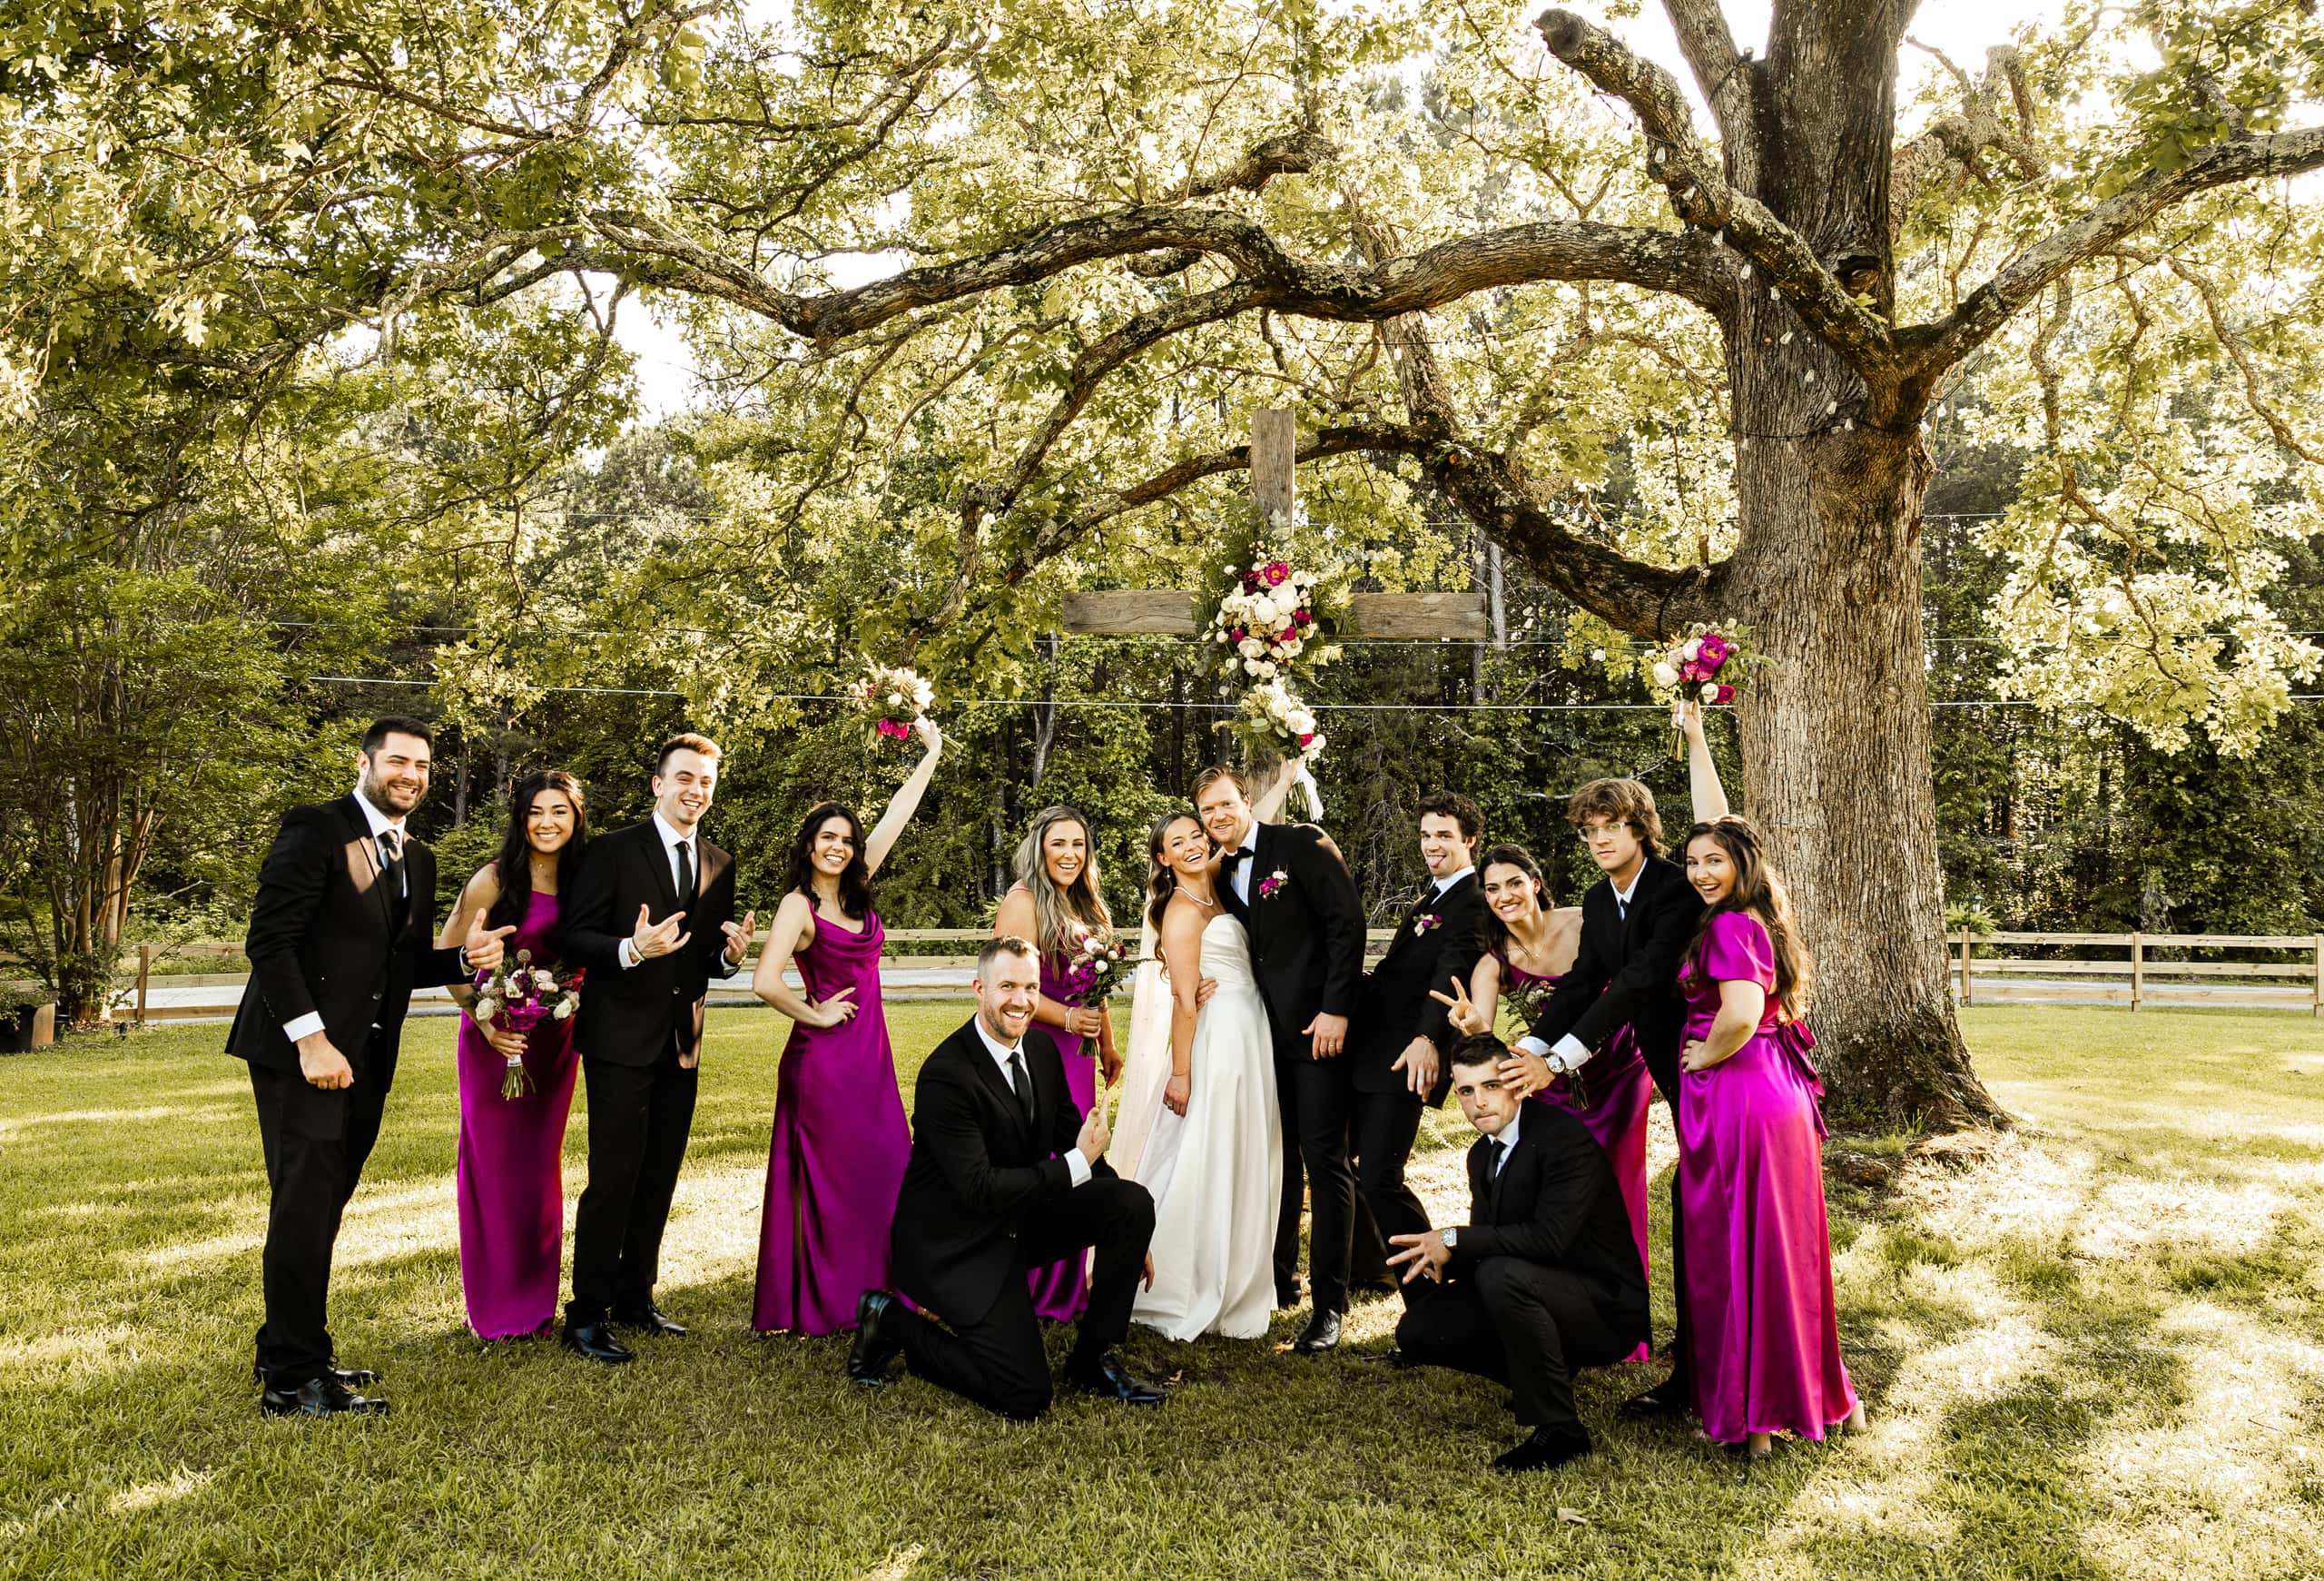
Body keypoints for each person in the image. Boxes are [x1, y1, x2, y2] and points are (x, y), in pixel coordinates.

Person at [228, 716, 515, 1416]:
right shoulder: (316, 828)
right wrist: (311, 1040)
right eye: (397, 761)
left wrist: (463, 960)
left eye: (421, 765)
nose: (410, 775)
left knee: (324, 1203)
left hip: (367, 1060)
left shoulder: (418, 858)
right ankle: (293, 1381)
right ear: (364, 762)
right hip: (303, 1053)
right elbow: (270, 942)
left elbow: (401, 962)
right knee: (303, 1204)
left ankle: (293, 1346)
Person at [848, 937, 1165, 1418]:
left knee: (1132, 1203)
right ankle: (889, 1320)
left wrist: (1124, 1230)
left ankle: (1091, 1360)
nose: (1021, 1000)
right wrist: (1077, 1164)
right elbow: (979, 1190)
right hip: (955, 1245)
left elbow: (1070, 1137)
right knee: (1024, 1397)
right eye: (1008, 986)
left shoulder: (1039, 1047)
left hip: (1016, 1221)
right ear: (979, 988)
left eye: (1031, 987)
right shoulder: (946, 1075)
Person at [1502, 750, 1710, 1417]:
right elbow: (1584, 980)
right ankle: (1687, 1355)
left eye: (1611, 825)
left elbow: (1641, 979)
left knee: (1699, 1199)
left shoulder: (1675, 887)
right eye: (1589, 829)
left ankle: (1702, 1359)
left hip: (1710, 1057)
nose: (1599, 839)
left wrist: (1558, 1059)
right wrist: (1531, 1046)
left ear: (1641, 828)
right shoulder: (1598, 897)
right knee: (1689, 1200)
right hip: (1669, 1057)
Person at [557, 732, 752, 1364]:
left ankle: (635, 1297)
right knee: (613, 1178)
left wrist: (726, 958)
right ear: (658, 783)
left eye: (707, 782)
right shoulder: (611, 852)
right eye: (686, 778)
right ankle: (585, 1314)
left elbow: (698, 955)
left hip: (682, 1041)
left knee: (659, 1175)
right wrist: (630, 948)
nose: (697, 790)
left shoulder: (719, 861)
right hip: (618, 1040)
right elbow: (573, 936)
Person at [1676, 815, 1866, 1455]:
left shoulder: (1730, 924)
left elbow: (1741, 1011)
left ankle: (1753, 1417)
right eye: (1693, 862)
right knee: (1783, 1250)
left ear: (1741, 865)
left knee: (1739, 1249)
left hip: (1740, 1094)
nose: (1701, 873)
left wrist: (1704, 1055)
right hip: (1776, 1091)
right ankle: (1820, 1396)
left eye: (1714, 861)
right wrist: (1696, 737)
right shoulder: (1763, 917)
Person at [751, 717, 944, 1336]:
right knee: (834, 1185)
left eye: (846, 838)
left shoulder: (857, 889)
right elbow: (765, 980)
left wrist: (931, 751)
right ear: (809, 843)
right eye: (827, 836)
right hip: (824, 1063)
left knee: (887, 1166)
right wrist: (817, 1012)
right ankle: (836, 1304)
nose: (838, 845)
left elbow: (896, 813)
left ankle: (887, 1290)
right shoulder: (796, 906)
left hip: (871, 1059)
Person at [1387, 1035, 1649, 1473]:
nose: (1478, 1103)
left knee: (1501, 1276)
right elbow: (1493, 1237)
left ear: (1516, 1084)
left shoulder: (1563, 1139)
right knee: (1420, 1330)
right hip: (1536, 1288)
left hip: (1605, 1308)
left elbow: (1549, 1240)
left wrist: (1454, 1239)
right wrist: (1444, 1261)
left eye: (1491, 1086)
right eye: (1467, 1091)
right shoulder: (1480, 1154)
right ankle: (1546, 1375)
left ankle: (1562, 1430)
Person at [1198, 762, 1367, 1353]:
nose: (1217, 816)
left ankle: (1329, 1307)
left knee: (1325, 1161)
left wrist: (1337, 1008)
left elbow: (1347, 924)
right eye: (1207, 810)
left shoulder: (1301, 843)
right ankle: (1279, 1276)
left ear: (1247, 800)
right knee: (1278, 1159)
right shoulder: (1219, 873)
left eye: (1225, 804)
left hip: (1319, 1032)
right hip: (1261, 1039)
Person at [439, 770, 591, 1342]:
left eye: (559, 811)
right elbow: (446, 956)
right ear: (520, 819)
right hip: (496, 1041)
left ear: (575, 819)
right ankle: (496, 1310)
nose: (547, 823)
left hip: (556, 1042)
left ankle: (538, 1303)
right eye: (535, 812)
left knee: (539, 1168)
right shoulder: (494, 879)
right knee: (496, 1167)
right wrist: (484, 1021)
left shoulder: (586, 880)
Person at [1118, 809, 1282, 1340]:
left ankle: (1240, 1273)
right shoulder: (1180, 913)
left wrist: (1290, 765)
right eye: (1177, 842)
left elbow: (1246, 818)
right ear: (1162, 858)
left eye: (1196, 836)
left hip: (1250, 1023)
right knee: (1206, 1149)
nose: (1192, 845)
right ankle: (1178, 1280)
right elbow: (1185, 1000)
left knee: (1242, 1145)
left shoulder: (1213, 879)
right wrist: (1182, 1074)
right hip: (1217, 1038)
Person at [1346, 790, 1490, 1308]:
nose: (1432, 844)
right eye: (1427, 834)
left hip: (1407, 1056)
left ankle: (1433, 1302)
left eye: (1444, 835)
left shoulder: (1472, 901)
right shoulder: (1434, 896)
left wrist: (1429, 1038)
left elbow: (1451, 972)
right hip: (1375, 1051)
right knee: (1356, 1168)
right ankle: (1372, 1268)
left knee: (1383, 1177)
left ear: (1469, 840)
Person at [994, 803, 1122, 1324]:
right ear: (1040, 849)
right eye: (1058, 844)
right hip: (1039, 1048)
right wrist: (1068, 1020)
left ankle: (1068, 1288)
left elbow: (1099, 984)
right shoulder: (1023, 903)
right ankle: (1029, 1286)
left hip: (1079, 1055)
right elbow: (1010, 987)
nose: (1069, 854)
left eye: (1078, 844)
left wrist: (1108, 1043)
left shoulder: (1086, 905)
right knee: (1044, 1158)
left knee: (1080, 1157)